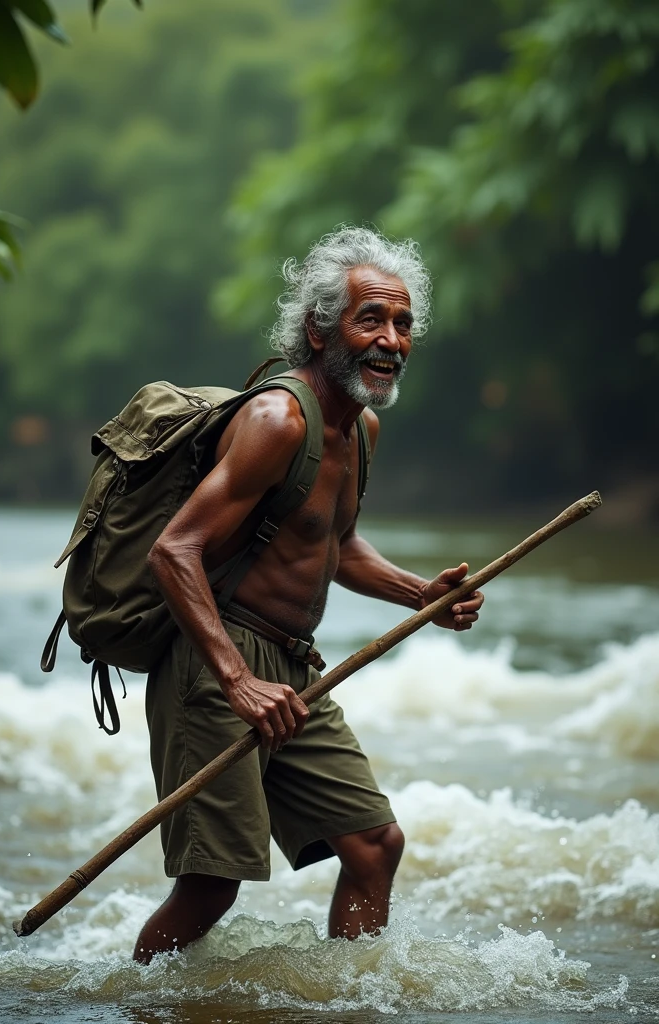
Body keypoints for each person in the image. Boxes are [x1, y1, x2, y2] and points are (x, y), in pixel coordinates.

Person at [134, 226, 484, 963]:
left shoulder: (362, 429)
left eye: (403, 324)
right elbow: (176, 551)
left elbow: (334, 544)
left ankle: (349, 1005)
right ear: (320, 330)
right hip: (217, 662)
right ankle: (132, 1006)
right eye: (371, 320)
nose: (390, 340)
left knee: (373, 845)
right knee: (211, 886)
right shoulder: (276, 420)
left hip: (297, 669)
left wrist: (424, 594)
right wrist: (237, 679)